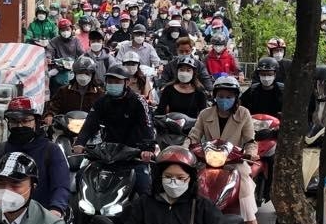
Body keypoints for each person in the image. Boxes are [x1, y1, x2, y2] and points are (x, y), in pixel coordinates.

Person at [190, 75, 271, 224]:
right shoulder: (205, 114)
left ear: (236, 97)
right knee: (190, 196)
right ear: (214, 96)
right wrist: (189, 150)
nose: (224, 99)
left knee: (247, 206)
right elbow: (193, 136)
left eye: (229, 96)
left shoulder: (243, 114)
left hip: (235, 165)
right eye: (221, 95)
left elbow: (250, 140)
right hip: (207, 165)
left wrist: (250, 153)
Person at [0, 98, 70, 220]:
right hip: (3, 219)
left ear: (36, 122)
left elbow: (60, 186)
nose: (20, 126)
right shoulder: (0, 150)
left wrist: (56, 209)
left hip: (40, 220)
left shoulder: (51, 150)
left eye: (25, 121)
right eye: (14, 121)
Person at [73, 65, 156, 195]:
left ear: (127, 82)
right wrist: (80, 142)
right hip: (107, 153)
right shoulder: (102, 101)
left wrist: (148, 149)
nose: (113, 85)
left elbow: (147, 126)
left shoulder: (138, 101)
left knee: (143, 187)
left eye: (117, 82)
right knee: (81, 176)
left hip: (133, 155)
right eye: (110, 82)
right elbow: (90, 124)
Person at [46, 56, 104, 122]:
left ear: (92, 75)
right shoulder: (64, 90)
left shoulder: (99, 93)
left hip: (90, 128)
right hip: (67, 126)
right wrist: (50, 115)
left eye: (87, 73)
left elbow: (104, 112)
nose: (83, 76)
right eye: (80, 73)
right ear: (75, 73)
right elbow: (54, 105)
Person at [155, 54, 209, 119]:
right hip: (171, 125)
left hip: (192, 127)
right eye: (181, 70)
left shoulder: (199, 91)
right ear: (177, 72)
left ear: (193, 73)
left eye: (188, 70)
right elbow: (160, 112)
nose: (184, 73)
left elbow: (203, 115)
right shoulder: (169, 89)